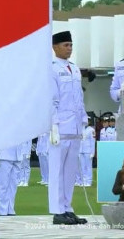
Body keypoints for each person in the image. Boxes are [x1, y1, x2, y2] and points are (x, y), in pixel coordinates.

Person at [49, 31, 88, 225]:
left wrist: (83, 120)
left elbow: (78, 99)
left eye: (71, 45)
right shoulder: (51, 68)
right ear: (55, 47)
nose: (69, 48)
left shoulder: (75, 68)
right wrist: (53, 125)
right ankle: (57, 211)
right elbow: (51, 100)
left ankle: (67, 208)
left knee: (70, 171)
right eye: (66, 45)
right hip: (59, 127)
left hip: (74, 127)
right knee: (57, 170)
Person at [0, 143, 22, 216]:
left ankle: (10, 209)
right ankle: (2, 210)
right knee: (3, 185)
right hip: (4, 155)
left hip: (18, 155)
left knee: (13, 186)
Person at [77, 122, 95, 187]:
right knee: (82, 166)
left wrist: (92, 152)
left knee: (88, 166)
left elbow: (92, 141)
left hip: (88, 150)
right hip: (81, 150)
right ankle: (84, 180)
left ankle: (89, 181)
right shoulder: (81, 129)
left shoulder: (91, 130)